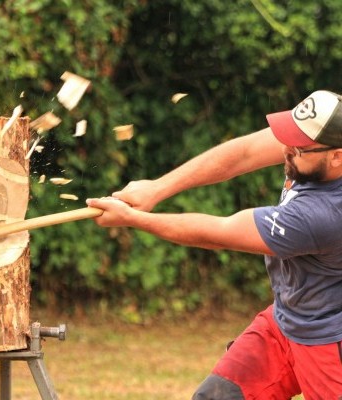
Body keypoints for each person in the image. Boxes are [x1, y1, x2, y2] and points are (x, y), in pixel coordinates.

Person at [86, 90, 342, 400]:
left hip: (328, 341)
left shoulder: (326, 214)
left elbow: (219, 231)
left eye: (298, 148)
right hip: (287, 319)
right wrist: (157, 189)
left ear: (337, 156)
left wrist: (134, 219)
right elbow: (245, 152)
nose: (286, 148)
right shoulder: (314, 142)